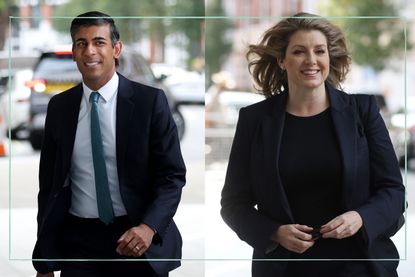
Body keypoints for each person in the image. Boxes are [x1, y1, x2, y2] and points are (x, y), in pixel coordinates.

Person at [220, 12, 405, 277]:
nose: (311, 60)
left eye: (320, 51)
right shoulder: (255, 120)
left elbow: (393, 191)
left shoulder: (362, 111)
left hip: (360, 265)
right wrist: (273, 232)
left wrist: (360, 218)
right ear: (282, 60)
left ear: (329, 58)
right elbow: (233, 204)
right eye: (299, 52)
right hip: (285, 268)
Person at [32, 11, 186, 277]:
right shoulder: (59, 108)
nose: (89, 50)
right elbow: (49, 187)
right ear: (73, 51)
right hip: (78, 243)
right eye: (81, 43)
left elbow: (171, 176)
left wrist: (149, 227)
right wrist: (44, 260)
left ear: (116, 49)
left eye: (99, 42)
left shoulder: (150, 103)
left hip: (136, 239)